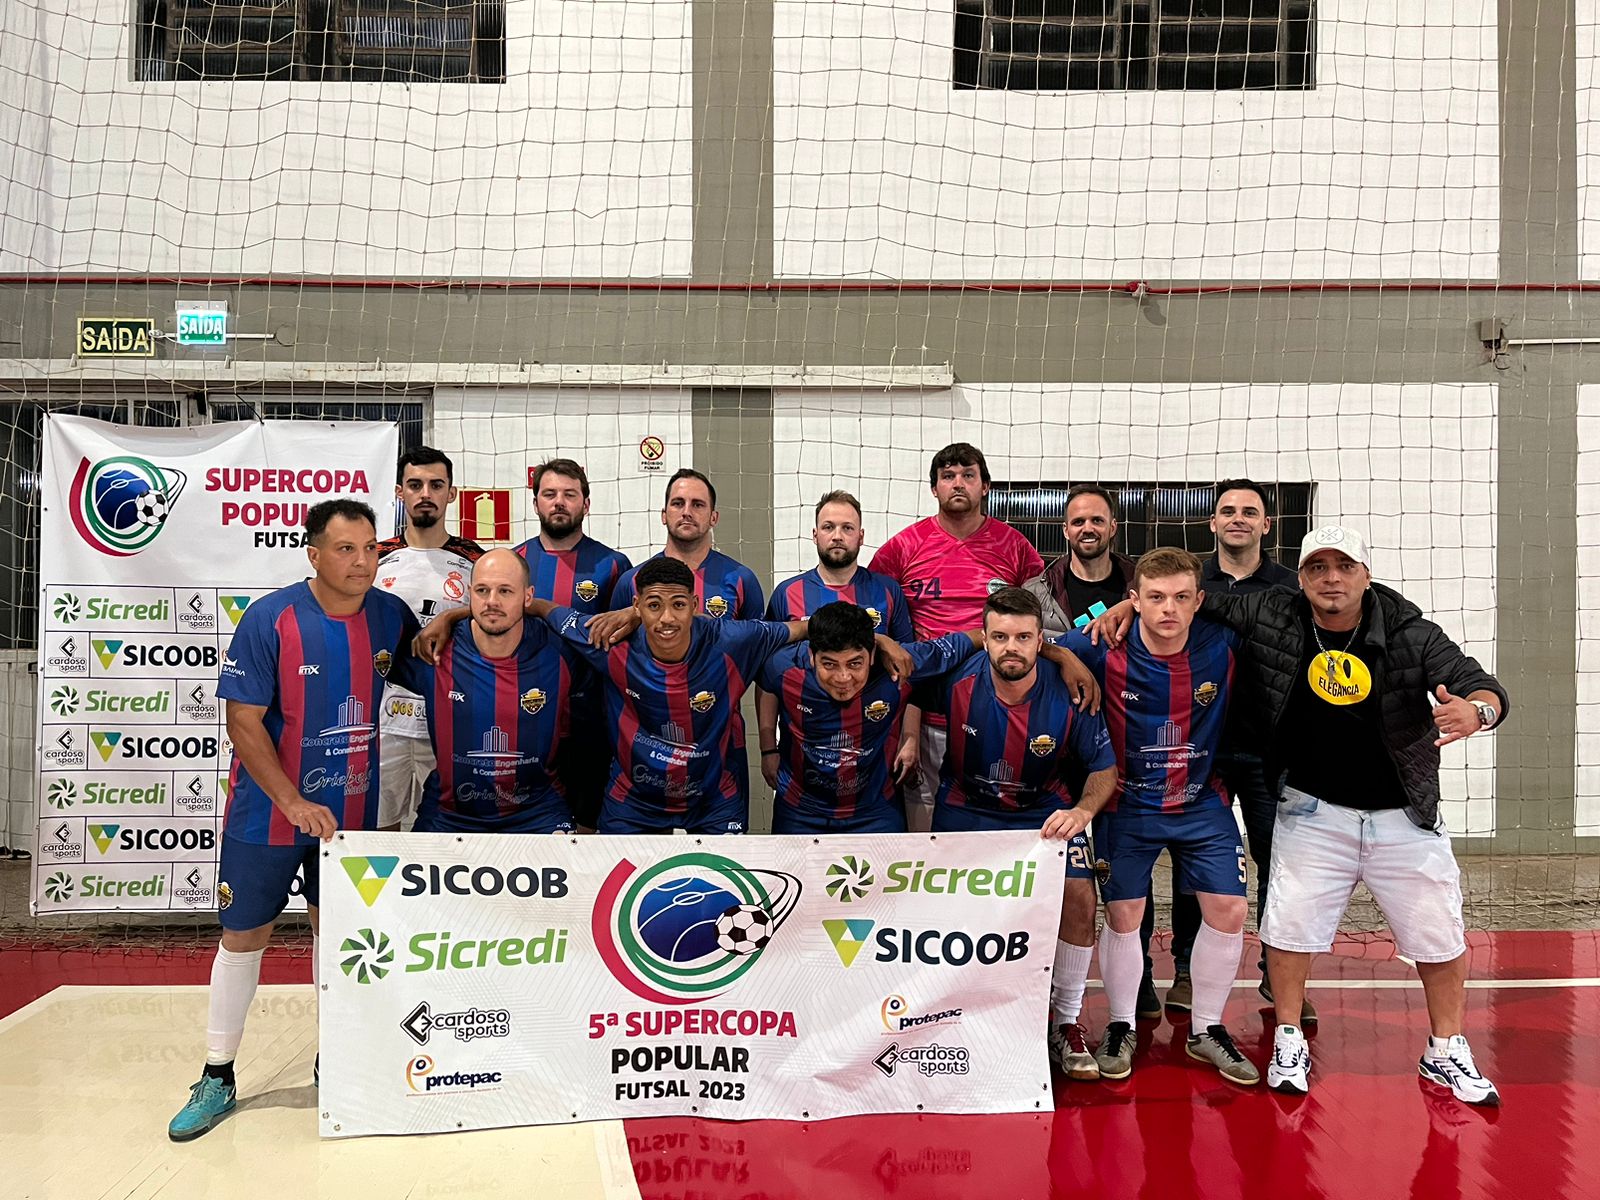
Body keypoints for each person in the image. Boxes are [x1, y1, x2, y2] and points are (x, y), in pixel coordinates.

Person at [1091, 526, 1510, 1105]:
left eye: (1344, 567)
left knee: (1438, 935)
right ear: (1302, 576)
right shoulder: (1273, 612)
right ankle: (1286, 1037)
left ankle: (1446, 1047)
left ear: (1366, 574)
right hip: (1313, 808)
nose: (1331, 578)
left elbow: (1480, 684)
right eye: (1317, 567)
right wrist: (1122, 606)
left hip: (1402, 813)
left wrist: (1478, 712)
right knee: (1288, 928)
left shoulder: (1411, 633)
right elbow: (1187, 599)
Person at [168, 499, 418, 1142]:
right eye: (345, 549)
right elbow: (242, 722)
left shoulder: (390, 615)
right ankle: (217, 1075)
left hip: (352, 819)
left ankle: (334, 1058)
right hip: (268, 817)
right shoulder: (270, 617)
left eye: (370, 548)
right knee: (244, 936)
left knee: (339, 939)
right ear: (314, 554)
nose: (361, 562)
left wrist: (450, 618)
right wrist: (292, 802)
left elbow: (438, 667)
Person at [1064, 548, 1258, 1086]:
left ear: (1199, 600)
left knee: (1230, 909)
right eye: (1154, 598)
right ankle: (1121, 1025)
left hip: (1201, 802)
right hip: (1127, 805)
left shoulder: (1224, 643)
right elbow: (1038, 647)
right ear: (1135, 600)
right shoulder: (1102, 644)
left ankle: (1207, 1029)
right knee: (1124, 914)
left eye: (1179, 597)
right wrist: (1066, 658)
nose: (1168, 608)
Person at [919, 587, 1117, 1082]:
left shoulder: (1071, 688)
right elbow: (901, 676)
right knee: (946, 905)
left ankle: (1066, 1021)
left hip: (1043, 810)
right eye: (1001, 637)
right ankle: (953, 1012)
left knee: (1080, 894)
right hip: (966, 806)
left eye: (1024, 638)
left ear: (1040, 641)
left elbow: (1104, 768)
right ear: (983, 638)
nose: (1012, 647)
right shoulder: (955, 677)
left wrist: (1083, 811)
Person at [759, 600, 1100, 834]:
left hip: (874, 812)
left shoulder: (904, 664)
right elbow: (761, 675)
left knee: (886, 907)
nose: (843, 677)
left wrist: (1059, 654)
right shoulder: (781, 667)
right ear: (811, 656)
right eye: (829, 665)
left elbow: (977, 640)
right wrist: (767, 747)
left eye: (855, 664)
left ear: (873, 655)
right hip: (800, 809)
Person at [1023, 485, 1159, 1022]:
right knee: (1064, 874)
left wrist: (1132, 601)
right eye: (1078, 521)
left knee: (1128, 874)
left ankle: (1139, 977)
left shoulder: (1143, 584)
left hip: (1134, 744)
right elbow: (1021, 640)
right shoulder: (1037, 590)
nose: (1087, 529)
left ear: (1112, 527)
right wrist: (1065, 655)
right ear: (1064, 529)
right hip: (1062, 748)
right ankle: (1044, 985)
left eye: (1097, 520)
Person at [868, 444, 1044, 832]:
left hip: (998, 711)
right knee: (926, 835)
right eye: (948, 476)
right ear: (934, 488)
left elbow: (1039, 622)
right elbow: (877, 618)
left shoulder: (1015, 547)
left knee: (992, 826)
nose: (958, 483)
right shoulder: (902, 548)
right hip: (924, 715)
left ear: (985, 486)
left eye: (968, 475)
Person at [1183, 477, 1305, 1023]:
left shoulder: (1291, 587)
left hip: (1268, 750)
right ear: (1212, 522)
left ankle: (1278, 976)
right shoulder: (1190, 583)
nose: (1238, 518)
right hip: (1199, 749)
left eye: (1249, 511)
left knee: (1277, 862)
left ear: (1266, 525)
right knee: (1193, 862)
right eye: (1228, 510)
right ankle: (1185, 969)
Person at [387, 549, 587, 833]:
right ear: (470, 594)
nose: (492, 601)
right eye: (482, 590)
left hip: (539, 814)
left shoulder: (560, 653)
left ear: (528, 596)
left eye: (505, 591)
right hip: (449, 815)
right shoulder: (435, 651)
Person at [759, 491, 916, 800]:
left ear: (861, 536)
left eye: (847, 528)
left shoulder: (887, 591)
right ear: (815, 534)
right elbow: (768, 679)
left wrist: (910, 737)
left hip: (874, 760)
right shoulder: (787, 593)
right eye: (828, 527)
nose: (837, 536)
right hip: (803, 760)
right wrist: (767, 747)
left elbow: (910, 671)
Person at [515, 458, 633, 830]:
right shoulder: (513, 563)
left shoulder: (613, 565)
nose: (559, 502)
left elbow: (626, 644)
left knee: (587, 833)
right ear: (536, 503)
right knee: (528, 832)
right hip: (524, 720)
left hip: (591, 723)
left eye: (569, 494)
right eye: (549, 494)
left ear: (586, 503)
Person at [373, 447, 484, 831]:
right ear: (399, 492)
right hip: (382, 722)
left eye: (436, 485)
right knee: (378, 834)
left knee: (442, 835)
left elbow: (501, 613)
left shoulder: (476, 559)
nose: (425, 494)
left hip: (448, 723)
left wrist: (452, 616)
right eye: (415, 485)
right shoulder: (376, 557)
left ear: (451, 493)